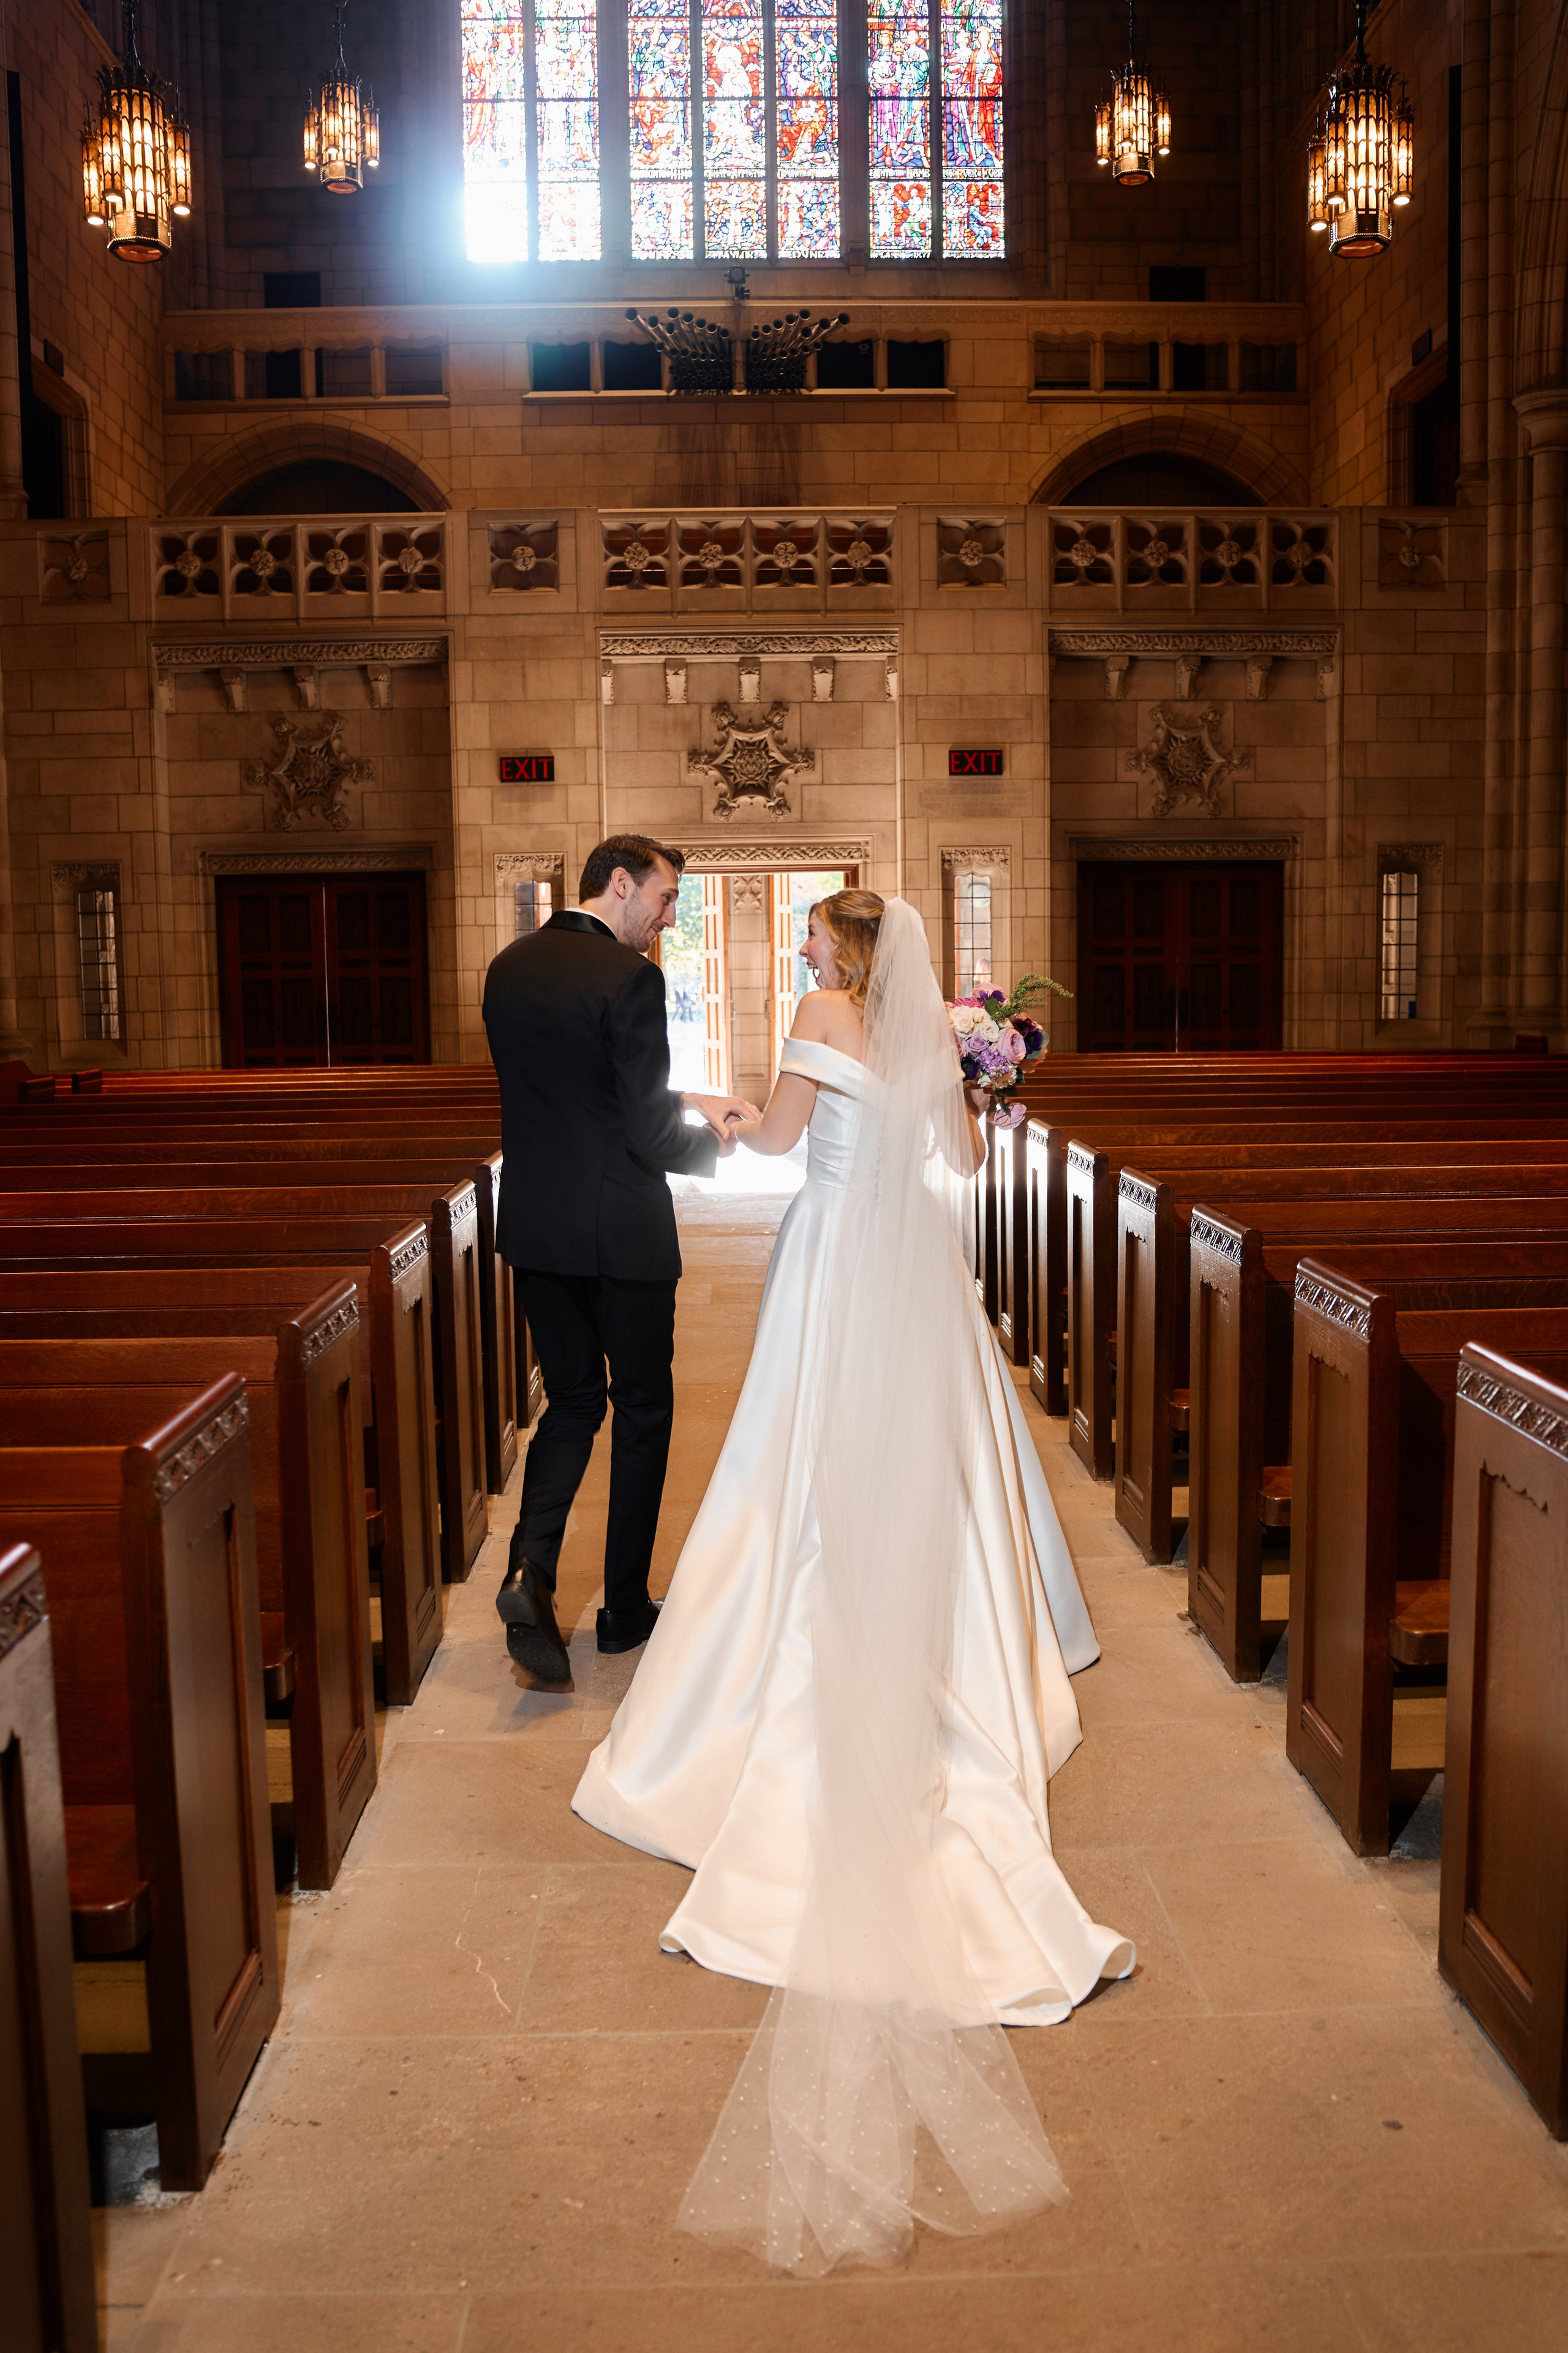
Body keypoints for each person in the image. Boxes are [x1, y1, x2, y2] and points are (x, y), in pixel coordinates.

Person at [572, 889, 1134, 2275]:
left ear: (843, 954)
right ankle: (966, 1636)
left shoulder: (819, 1020)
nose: (807, 956)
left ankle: (777, 1658)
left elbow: (769, 1140)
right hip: (918, 1274)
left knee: (799, 1470)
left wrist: (695, 1115)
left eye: (817, 939)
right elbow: (947, 1154)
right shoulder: (937, 1046)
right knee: (937, 1459)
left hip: (830, 1263)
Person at [481, 834, 758, 1682]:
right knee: (641, 1408)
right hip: (623, 1234)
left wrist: (683, 1096)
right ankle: (625, 1609)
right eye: (666, 899)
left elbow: (576, 1088)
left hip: (536, 1225)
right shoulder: (632, 978)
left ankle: (532, 1570)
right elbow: (640, 1131)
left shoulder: (509, 966)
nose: (670, 919)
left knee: (569, 1404)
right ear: (621, 882)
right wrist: (713, 1141)